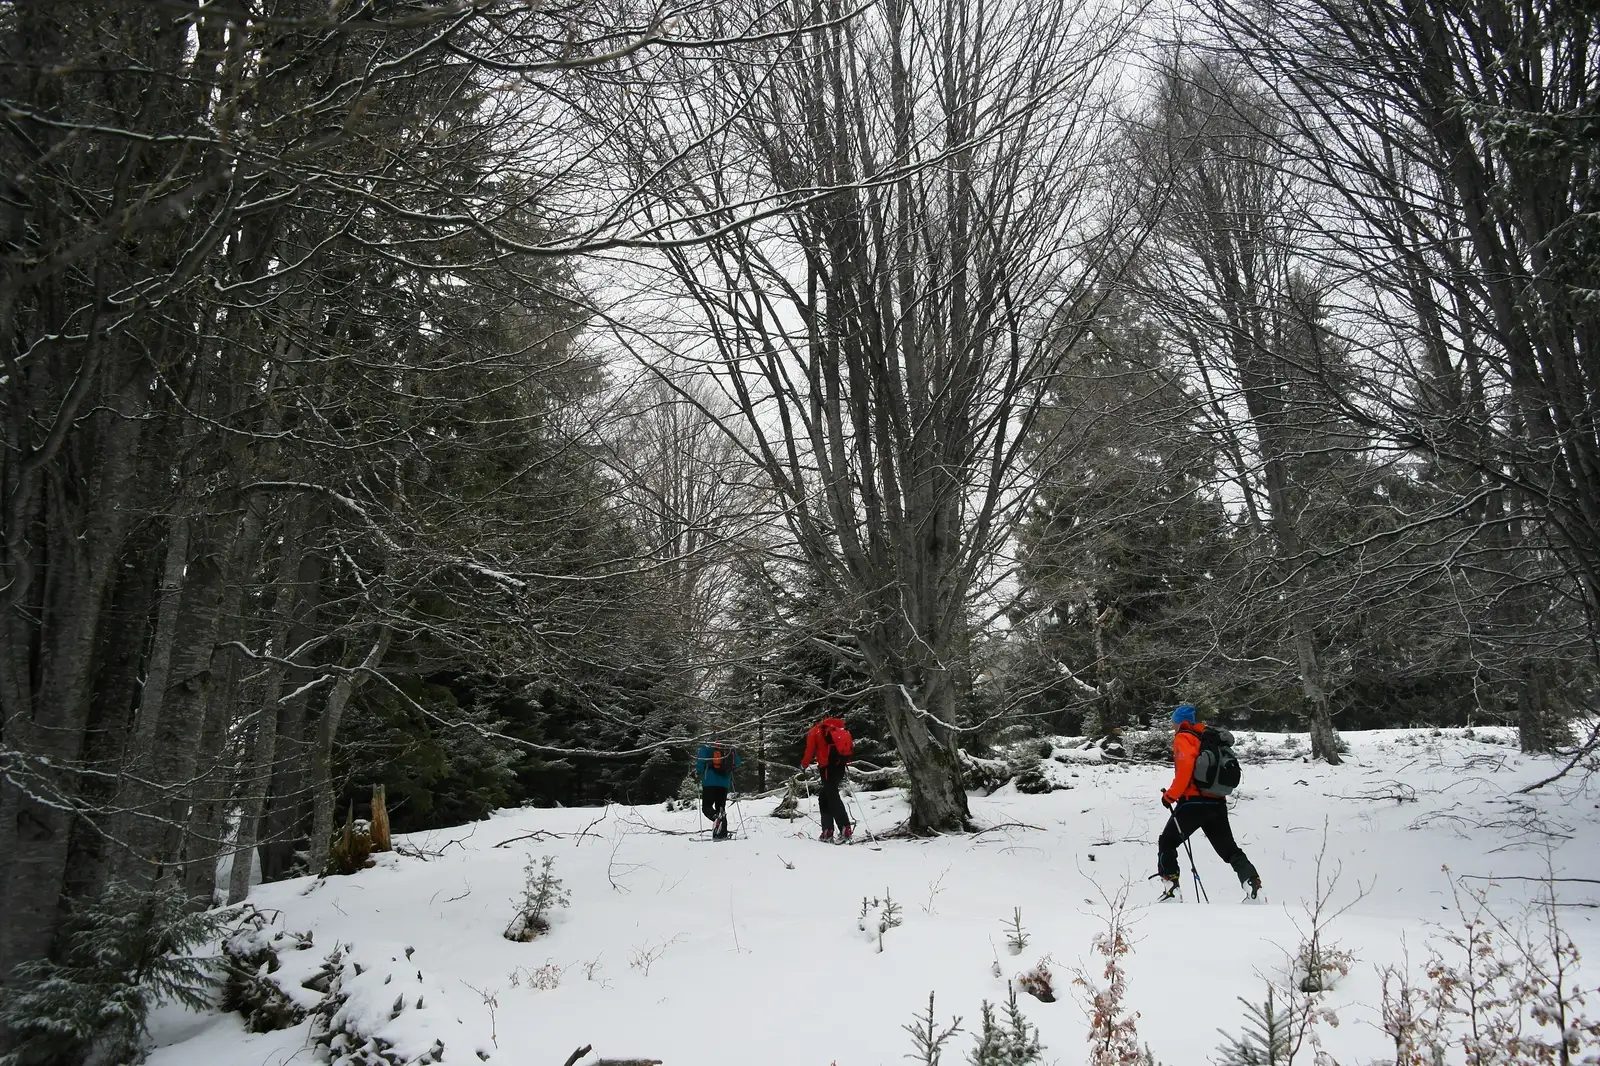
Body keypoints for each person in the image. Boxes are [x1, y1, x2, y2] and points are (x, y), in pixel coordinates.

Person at [1157, 703, 1261, 899]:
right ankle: (1253, 886)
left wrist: (1170, 796)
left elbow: (1186, 768)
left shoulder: (1184, 737)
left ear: (1183, 722)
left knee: (1167, 842)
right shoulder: (1209, 738)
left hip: (1193, 803)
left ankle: (1171, 890)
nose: (1173, 726)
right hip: (1217, 803)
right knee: (1229, 849)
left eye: (1175, 722)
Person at [801, 717, 854, 843]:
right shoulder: (840, 729)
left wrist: (804, 764)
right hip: (840, 765)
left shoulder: (816, 731)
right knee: (824, 797)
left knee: (832, 796)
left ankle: (844, 828)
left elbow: (810, 750)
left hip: (826, 767)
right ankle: (827, 830)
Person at [694, 737, 741, 839]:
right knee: (721, 808)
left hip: (709, 781)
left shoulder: (707, 744)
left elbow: (701, 762)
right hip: (724, 783)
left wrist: (698, 773)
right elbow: (737, 762)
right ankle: (721, 834)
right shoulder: (728, 745)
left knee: (706, 808)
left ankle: (716, 818)